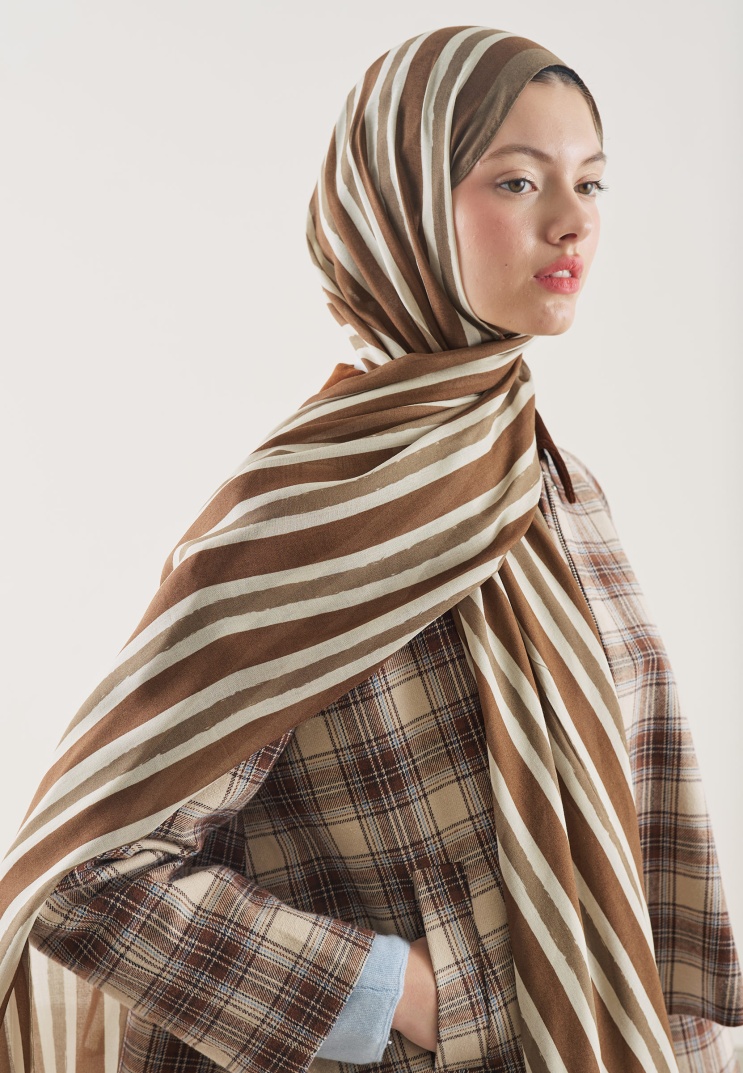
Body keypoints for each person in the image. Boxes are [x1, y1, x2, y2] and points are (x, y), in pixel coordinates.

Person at [0, 24, 741, 1073]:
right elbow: (84, 874)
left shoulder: (556, 485)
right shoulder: (306, 515)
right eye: (517, 181)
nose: (572, 219)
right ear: (399, 210)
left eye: (590, 182)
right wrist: (401, 995)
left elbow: (631, 843)